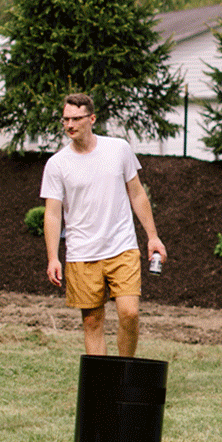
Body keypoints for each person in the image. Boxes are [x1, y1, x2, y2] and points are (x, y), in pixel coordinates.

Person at [40, 92, 167, 357]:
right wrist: (53, 257)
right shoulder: (57, 164)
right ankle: (103, 386)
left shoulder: (118, 149)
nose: (70, 125)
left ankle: (124, 372)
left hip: (122, 247)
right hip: (82, 252)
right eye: (65, 119)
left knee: (129, 313)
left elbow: (137, 193)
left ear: (92, 118)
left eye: (76, 119)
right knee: (92, 321)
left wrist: (152, 236)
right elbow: (52, 214)